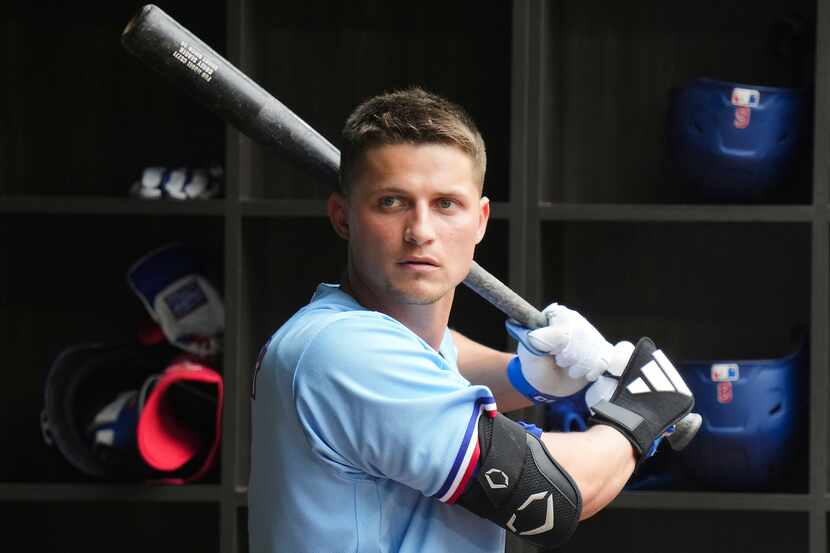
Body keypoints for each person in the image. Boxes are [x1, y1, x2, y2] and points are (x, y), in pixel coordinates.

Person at [248, 87, 695, 552]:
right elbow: (544, 497)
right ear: (342, 217)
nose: (420, 232)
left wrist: (524, 375)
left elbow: (442, 359)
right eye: (391, 202)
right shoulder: (343, 352)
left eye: (446, 204)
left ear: (480, 220)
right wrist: (637, 415)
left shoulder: (365, 330)